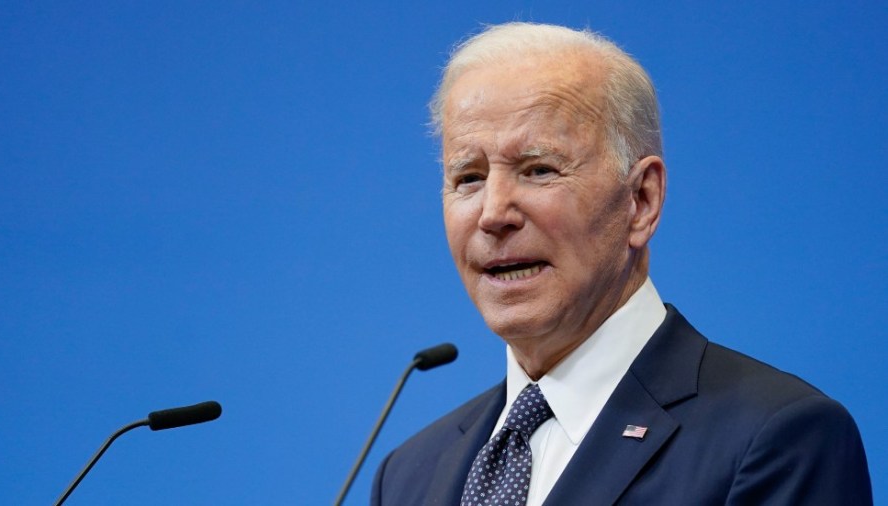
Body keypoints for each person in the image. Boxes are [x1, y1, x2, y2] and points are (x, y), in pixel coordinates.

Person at [371, 22, 872, 505]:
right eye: (468, 178)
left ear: (641, 200)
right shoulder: (409, 474)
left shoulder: (777, 440)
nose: (494, 213)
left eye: (539, 170)